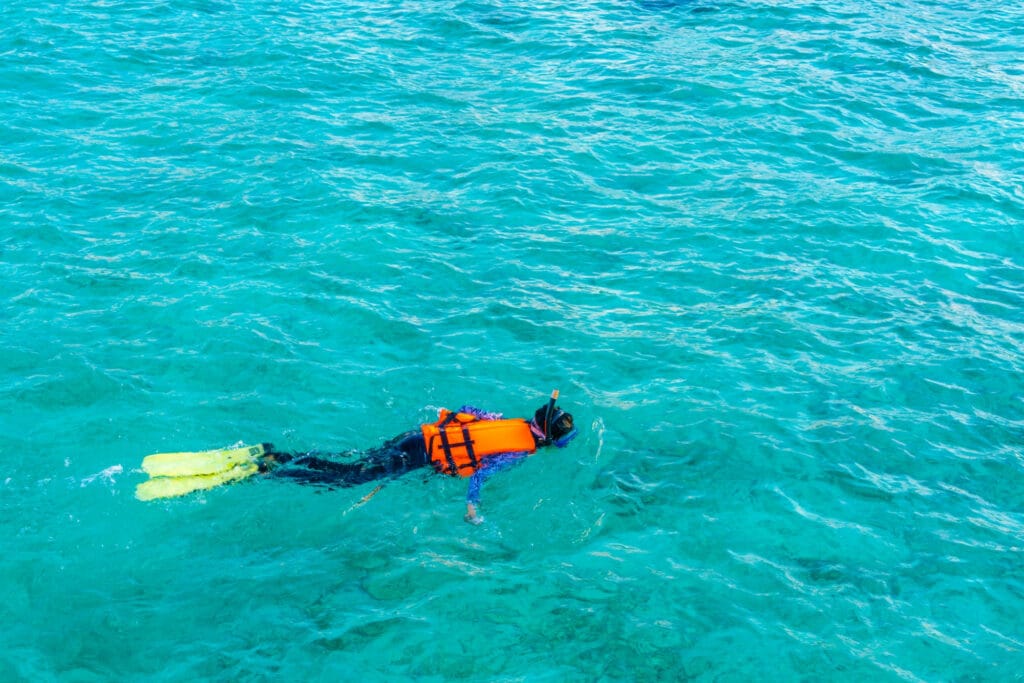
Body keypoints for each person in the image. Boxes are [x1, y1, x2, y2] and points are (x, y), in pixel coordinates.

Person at [263, 394, 578, 524]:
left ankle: (283, 457)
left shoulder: (507, 421)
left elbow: (471, 413)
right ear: (549, 437)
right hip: (418, 455)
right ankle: (275, 473)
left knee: (356, 463)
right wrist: (473, 509)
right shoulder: (518, 451)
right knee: (349, 480)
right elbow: (481, 473)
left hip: (415, 437)